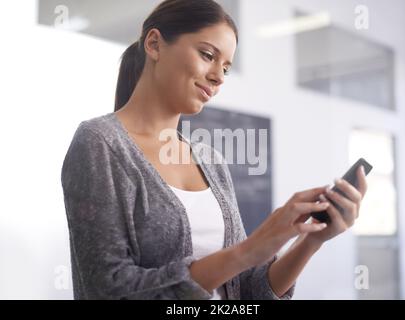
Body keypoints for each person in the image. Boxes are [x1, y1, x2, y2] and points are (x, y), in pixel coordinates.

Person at [61, 0, 368, 300]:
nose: (219, 77)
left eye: (226, 68)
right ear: (154, 44)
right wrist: (249, 250)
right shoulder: (100, 143)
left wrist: (309, 241)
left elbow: (248, 290)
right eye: (207, 55)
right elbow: (108, 289)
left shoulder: (211, 162)